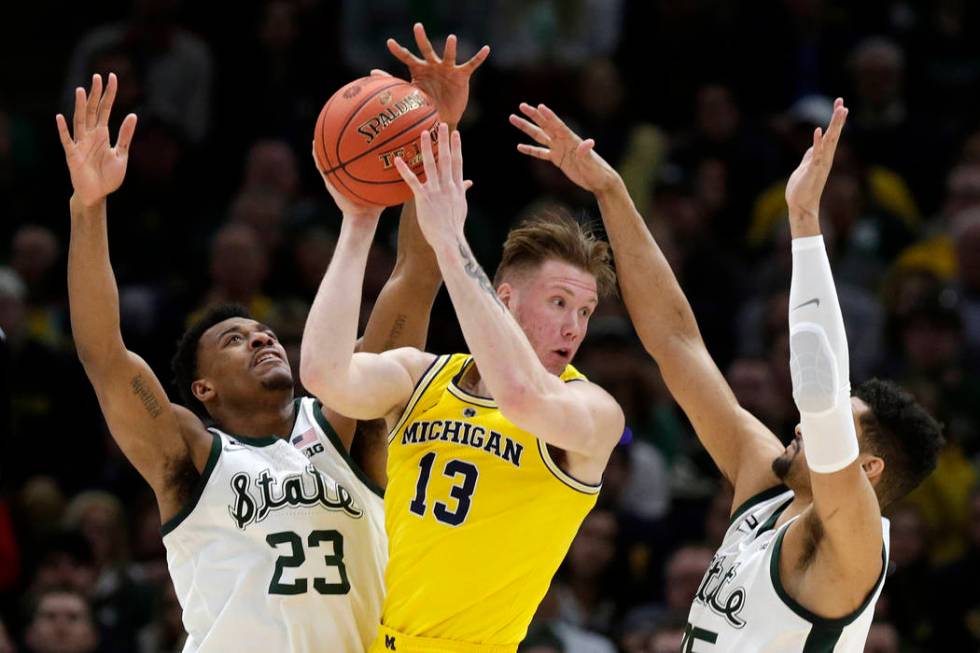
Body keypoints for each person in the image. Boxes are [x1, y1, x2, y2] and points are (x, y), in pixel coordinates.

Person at [55, 21, 487, 651]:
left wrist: (434, 133)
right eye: (235, 339)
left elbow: (415, 278)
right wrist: (87, 207)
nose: (262, 339)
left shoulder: (348, 421)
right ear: (201, 388)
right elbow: (102, 353)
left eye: (262, 332)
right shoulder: (188, 458)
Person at [510, 99, 944, 650]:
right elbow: (676, 343)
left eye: (838, 428)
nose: (806, 428)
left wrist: (805, 222)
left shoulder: (851, 549)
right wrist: (611, 192)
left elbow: (819, 391)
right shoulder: (765, 486)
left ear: (870, 468)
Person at [301, 124, 624, 650]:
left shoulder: (591, 412)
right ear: (506, 298)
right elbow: (322, 374)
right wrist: (358, 223)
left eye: (585, 311)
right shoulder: (421, 377)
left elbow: (521, 396)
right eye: (559, 303)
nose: (575, 327)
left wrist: (450, 243)